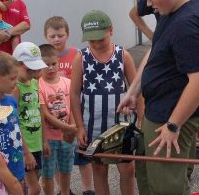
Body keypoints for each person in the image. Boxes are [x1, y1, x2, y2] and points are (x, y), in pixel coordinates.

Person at [117, 0, 199, 195]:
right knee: (151, 177)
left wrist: (173, 125)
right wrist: (134, 91)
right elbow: (155, 50)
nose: (149, 4)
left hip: (171, 114)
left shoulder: (187, 24)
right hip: (160, 107)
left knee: (166, 186)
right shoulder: (171, 9)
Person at [71, 10, 137, 195]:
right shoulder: (81, 58)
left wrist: (139, 119)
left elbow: (137, 88)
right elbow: (74, 94)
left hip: (121, 124)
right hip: (93, 124)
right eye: (92, 41)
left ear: (111, 30)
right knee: (99, 169)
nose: (97, 44)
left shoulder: (123, 55)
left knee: (127, 168)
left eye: (101, 39)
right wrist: (79, 127)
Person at [43, 16, 95, 195]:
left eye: (60, 35)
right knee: (59, 161)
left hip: (76, 111)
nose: (56, 39)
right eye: (52, 36)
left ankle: (88, 188)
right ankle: (65, 190)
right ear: (46, 36)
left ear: (67, 34)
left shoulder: (76, 54)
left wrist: (74, 122)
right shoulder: (43, 58)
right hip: (54, 117)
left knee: (82, 154)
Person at [0, 51, 28, 193]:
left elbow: (17, 128)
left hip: (18, 169)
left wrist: (27, 153)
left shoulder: (11, 100)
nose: (16, 82)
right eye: (12, 78)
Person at [38, 44, 77, 195]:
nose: (50, 68)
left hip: (67, 136)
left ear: (58, 62)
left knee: (66, 169)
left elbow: (73, 106)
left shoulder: (67, 83)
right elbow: (45, 114)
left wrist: (73, 125)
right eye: (46, 65)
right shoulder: (39, 85)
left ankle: (65, 192)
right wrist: (69, 128)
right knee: (48, 173)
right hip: (49, 137)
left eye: (53, 64)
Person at [12, 42, 49, 195]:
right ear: (17, 64)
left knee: (32, 183)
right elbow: (14, 121)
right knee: (33, 188)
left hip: (37, 143)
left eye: (37, 69)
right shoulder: (15, 88)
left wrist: (44, 140)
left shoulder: (34, 82)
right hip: (25, 145)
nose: (35, 73)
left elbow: (40, 111)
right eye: (30, 69)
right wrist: (26, 152)